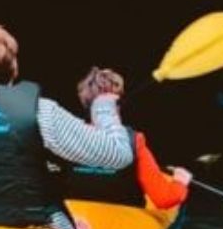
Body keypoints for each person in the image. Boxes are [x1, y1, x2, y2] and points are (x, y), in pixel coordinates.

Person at [0, 22, 133, 229]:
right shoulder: (41, 111)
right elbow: (118, 155)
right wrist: (103, 105)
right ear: (14, 66)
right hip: (39, 227)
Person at [76, 67, 191, 209]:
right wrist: (180, 181)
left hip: (79, 221)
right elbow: (164, 199)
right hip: (125, 222)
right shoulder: (134, 141)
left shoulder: (67, 134)